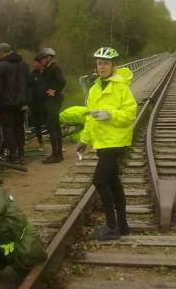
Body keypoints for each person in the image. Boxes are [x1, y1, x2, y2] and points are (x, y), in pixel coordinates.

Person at [76, 47, 137, 240]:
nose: (102, 67)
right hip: (101, 142)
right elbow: (90, 118)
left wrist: (110, 115)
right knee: (113, 182)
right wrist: (84, 140)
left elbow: (129, 115)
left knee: (100, 180)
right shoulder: (94, 89)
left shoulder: (121, 88)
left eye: (106, 63)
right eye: (100, 63)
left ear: (113, 66)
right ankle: (123, 226)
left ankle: (112, 226)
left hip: (116, 140)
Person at [0, 43, 29, 164]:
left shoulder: (2, 65)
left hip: (6, 103)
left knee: (8, 130)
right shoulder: (23, 64)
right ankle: (21, 155)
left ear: (2, 52)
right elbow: (27, 84)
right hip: (21, 103)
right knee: (19, 128)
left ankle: (13, 155)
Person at [39, 48, 66, 164]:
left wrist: (55, 92)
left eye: (43, 59)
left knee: (52, 127)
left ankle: (56, 154)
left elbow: (63, 81)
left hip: (54, 100)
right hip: (50, 100)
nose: (41, 61)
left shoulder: (55, 67)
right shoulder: (47, 68)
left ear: (49, 58)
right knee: (55, 126)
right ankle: (58, 154)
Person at [27, 53, 46, 151]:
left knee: (49, 123)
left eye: (38, 63)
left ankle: (54, 143)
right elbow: (29, 90)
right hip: (35, 104)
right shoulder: (30, 75)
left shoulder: (46, 73)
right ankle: (40, 142)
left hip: (46, 103)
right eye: (34, 63)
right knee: (37, 124)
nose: (36, 65)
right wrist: (29, 104)